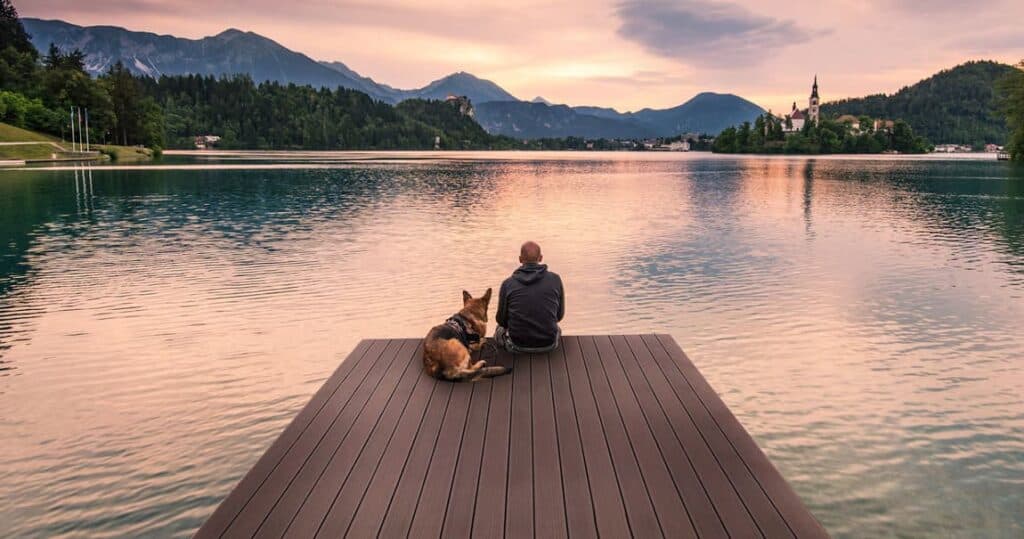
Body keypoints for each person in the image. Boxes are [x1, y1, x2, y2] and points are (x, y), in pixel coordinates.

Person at [494, 241, 565, 353]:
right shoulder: (555, 279)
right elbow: (559, 316)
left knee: (499, 329)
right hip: (548, 344)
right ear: (540, 258)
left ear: (520, 259)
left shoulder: (508, 284)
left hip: (517, 345)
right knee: (557, 328)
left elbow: (501, 320)